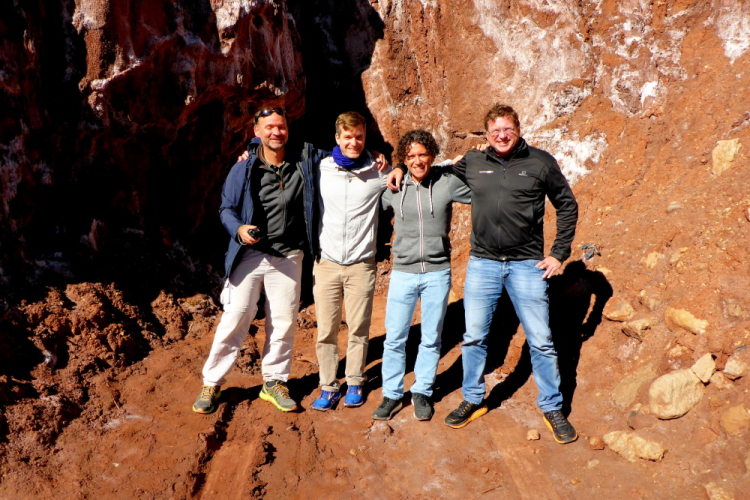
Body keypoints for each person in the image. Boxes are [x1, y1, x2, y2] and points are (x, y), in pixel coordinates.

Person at [388, 104, 579, 444]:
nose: (502, 136)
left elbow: (566, 204)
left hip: (527, 264)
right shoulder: (474, 162)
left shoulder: (540, 162)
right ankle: (473, 398)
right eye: (495, 131)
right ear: (487, 135)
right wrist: (401, 165)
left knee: (541, 340)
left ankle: (552, 407)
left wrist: (558, 254)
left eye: (507, 130)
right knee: (474, 337)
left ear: (518, 129)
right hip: (483, 264)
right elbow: (431, 168)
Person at [193, 107, 327, 414]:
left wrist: (377, 156)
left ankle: (274, 382)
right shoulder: (244, 167)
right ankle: (212, 383)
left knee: (283, 321)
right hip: (249, 255)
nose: (276, 132)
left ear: (288, 130)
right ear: (257, 131)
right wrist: (239, 230)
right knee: (236, 317)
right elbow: (226, 209)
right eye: (269, 127)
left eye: (281, 127)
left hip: (288, 256)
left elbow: (344, 153)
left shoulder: (305, 159)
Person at [372, 130, 470, 421]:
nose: (417, 161)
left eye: (422, 154)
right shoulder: (394, 186)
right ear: (404, 159)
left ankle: (422, 391)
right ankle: (392, 394)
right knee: (395, 338)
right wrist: (394, 169)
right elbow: (366, 201)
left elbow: (482, 191)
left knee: (431, 338)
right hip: (403, 271)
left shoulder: (447, 182)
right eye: (411, 156)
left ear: (432, 156)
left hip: (437, 273)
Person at [310, 112, 391, 411]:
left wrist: (391, 164)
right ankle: (329, 386)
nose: (353, 142)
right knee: (326, 331)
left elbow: (404, 179)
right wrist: (250, 150)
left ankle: (355, 380)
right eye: (348, 137)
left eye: (359, 136)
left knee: (358, 327)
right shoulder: (320, 168)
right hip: (327, 263)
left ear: (365, 137)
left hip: (361, 264)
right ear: (337, 138)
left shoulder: (378, 170)